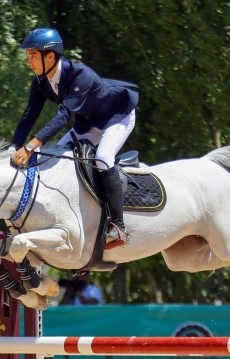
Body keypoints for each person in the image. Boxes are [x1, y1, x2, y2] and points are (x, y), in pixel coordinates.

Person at [10, 27, 139, 249]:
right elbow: (30, 114)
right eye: (28, 56)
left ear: (49, 56)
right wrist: (14, 146)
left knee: (103, 158)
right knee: (54, 158)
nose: (28, 62)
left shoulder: (81, 76)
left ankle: (118, 227)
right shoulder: (41, 81)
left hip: (117, 117)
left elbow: (63, 117)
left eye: (32, 56)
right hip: (88, 123)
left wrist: (30, 147)